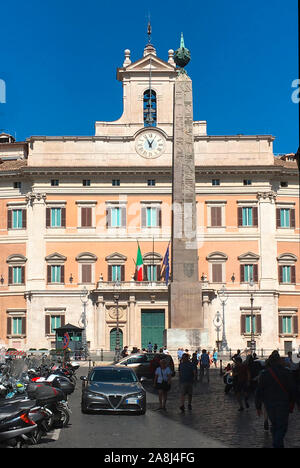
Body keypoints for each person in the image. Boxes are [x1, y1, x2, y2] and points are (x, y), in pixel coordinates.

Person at [255, 350, 297, 448]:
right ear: (279, 361)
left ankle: (278, 444)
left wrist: (258, 406)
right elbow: (293, 389)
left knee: (274, 426)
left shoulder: (264, 374)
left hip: (269, 404)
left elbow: (259, 390)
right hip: (283, 404)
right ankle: (277, 445)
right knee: (281, 427)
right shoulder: (286, 372)